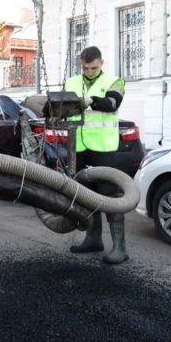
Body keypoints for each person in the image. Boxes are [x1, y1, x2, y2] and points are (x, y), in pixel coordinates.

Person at [65, 46, 128, 264]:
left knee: (109, 196)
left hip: (103, 148)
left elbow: (112, 104)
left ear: (102, 62)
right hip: (79, 147)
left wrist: (92, 99)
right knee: (85, 195)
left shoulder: (115, 81)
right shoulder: (71, 82)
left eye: (94, 67)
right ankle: (93, 238)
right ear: (80, 63)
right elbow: (63, 110)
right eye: (86, 68)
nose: (90, 71)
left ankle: (120, 247)